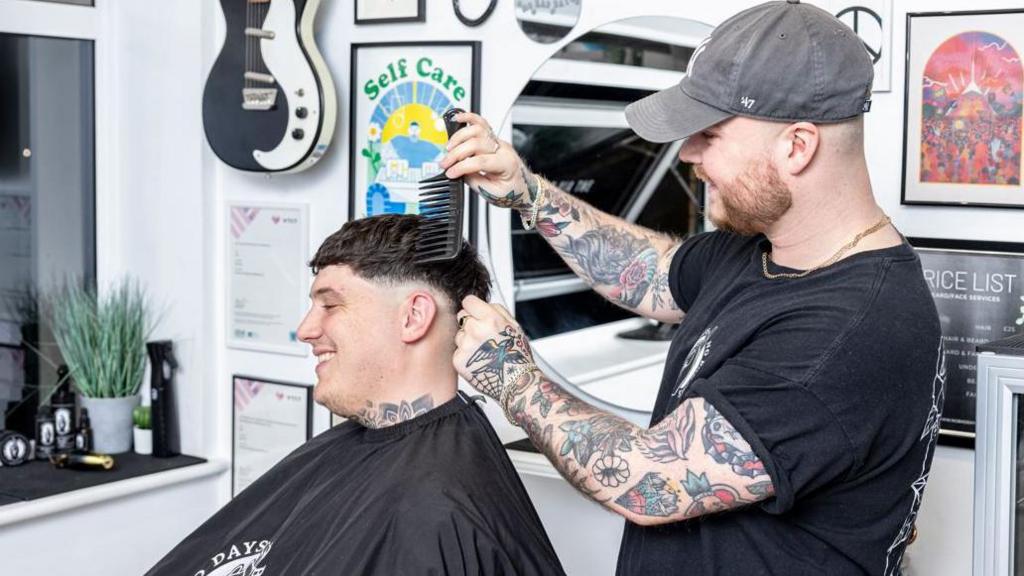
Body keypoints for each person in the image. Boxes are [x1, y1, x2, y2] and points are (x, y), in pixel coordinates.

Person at [440, 2, 944, 575]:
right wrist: (526, 191)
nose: (687, 154)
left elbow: (651, 480)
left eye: (709, 134)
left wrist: (516, 382)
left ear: (798, 147)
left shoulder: (853, 328)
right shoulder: (761, 249)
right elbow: (648, 270)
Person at [145, 215, 565, 576]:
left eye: (329, 305)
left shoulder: (438, 508)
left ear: (413, 317)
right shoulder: (364, 454)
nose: (306, 329)